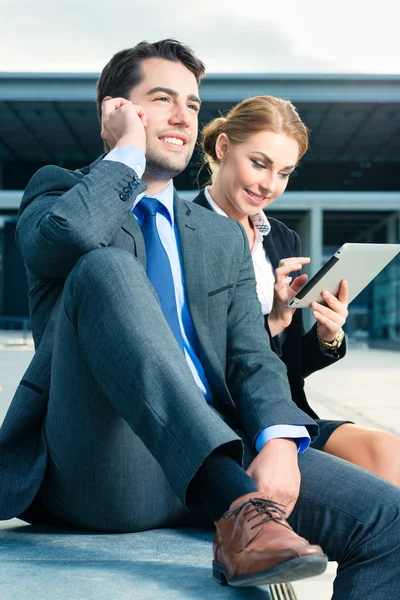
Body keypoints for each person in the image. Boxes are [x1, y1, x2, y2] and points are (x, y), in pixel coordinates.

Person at [1, 40, 400, 598]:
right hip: (110, 460)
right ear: (116, 111)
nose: (183, 115)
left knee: (390, 519)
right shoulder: (59, 193)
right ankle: (234, 505)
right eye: (162, 98)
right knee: (105, 269)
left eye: (191, 103)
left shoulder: (218, 235)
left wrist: (282, 441)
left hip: (229, 445)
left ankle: (238, 504)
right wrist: (126, 156)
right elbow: (67, 238)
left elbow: (251, 355)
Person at [193, 95, 400, 485]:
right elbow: (189, 356)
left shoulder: (283, 240)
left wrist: (326, 336)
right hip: (226, 420)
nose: (269, 185)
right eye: (259, 163)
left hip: (289, 411)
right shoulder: (183, 233)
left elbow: (286, 364)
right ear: (223, 148)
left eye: (285, 172)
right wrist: (270, 322)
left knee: (389, 453)